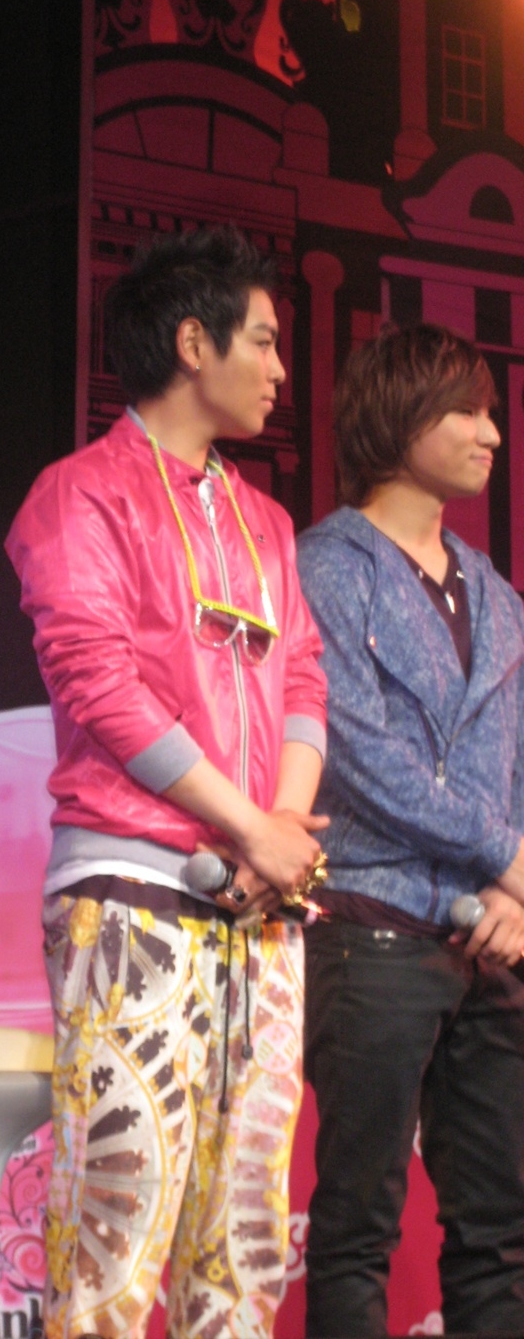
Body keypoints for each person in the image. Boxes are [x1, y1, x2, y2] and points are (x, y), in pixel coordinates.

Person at [6, 226, 329, 1339]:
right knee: (120, 1219)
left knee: (244, 1240)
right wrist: (253, 827)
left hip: (263, 906)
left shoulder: (267, 521)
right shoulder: (79, 494)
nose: (279, 368)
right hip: (132, 890)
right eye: (263, 340)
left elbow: (303, 678)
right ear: (195, 343)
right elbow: (97, 684)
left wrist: (280, 829)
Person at [296, 323, 524, 1337]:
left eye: (490, 412)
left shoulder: (496, 592)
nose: (491, 433)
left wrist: (514, 893)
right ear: (400, 419)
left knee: (499, 1231)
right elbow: (359, 755)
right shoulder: (327, 567)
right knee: (358, 1226)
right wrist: (507, 857)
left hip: (492, 942)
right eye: (465, 410)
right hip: (373, 928)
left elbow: (514, 758)